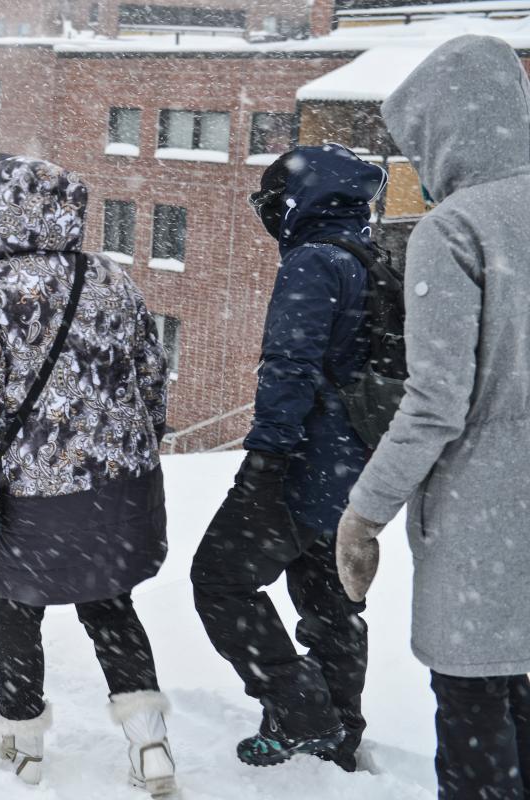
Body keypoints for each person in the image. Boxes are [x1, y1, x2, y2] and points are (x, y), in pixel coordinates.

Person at [0, 155, 174, 793]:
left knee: (16, 609)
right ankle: (151, 745)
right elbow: (152, 384)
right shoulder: (113, 281)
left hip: (32, 500)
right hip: (120, 490)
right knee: (111, 605)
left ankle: (24, 749)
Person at [335, 35, 530, 800]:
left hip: (486, 530)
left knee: (481, 741)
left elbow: (435, 403)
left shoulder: (455, 230)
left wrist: (362, 515)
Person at [190, 144, 386, 771]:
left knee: (219, 580)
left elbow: (290, 367)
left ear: (303, 201)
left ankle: (303, 711)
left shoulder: (314, 262)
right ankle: (338, 730)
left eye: (275, 202)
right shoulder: (373, 258)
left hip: (303, 463)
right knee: (331, 602)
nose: (272, 215)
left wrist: (265, 460)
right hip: (356, 472)